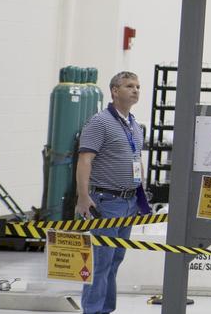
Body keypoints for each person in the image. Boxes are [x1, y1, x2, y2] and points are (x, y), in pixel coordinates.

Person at [75, 71, 146, 314]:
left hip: (129, 202)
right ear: (115, 91)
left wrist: (141, 199)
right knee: (101, 261)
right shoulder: (100, 122)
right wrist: (83, 197)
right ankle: (93, 310)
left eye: (137, 86)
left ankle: (105, 309)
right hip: (106, 201)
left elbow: (137, 160)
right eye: (129, 86)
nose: (135, 90)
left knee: (115, 259)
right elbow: (85, 160)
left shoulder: (135, 125)